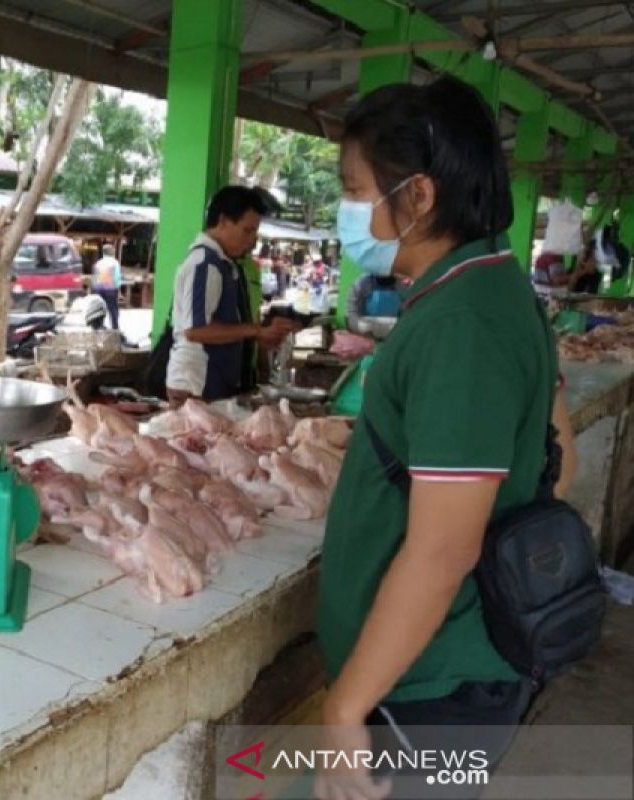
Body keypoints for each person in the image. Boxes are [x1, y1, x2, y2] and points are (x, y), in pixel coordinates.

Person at [316, 76, 576, 800]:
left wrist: (343, 710)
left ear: (420, 196)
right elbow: (565, 457)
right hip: (442, 682)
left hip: (431, 692)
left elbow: (444, 549)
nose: (348, 210)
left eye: (355, 189)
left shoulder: (463, 321)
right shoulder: (491, 285)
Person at [164, 186, 293, 406]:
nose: (252, 240)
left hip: (212, 384)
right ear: (223, 221)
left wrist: (260, 332)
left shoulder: (225, 263)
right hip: (196, 385)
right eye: (247, 230)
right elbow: (195, 330)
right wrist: (255, 330)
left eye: (255, 232)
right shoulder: (205, 264)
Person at [92, 243, 122, 330]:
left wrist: (94, 287)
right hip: (110, 289)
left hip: (98, 289)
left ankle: (99, 326)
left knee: (100, 308)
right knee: (113, 308)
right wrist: (118, 287)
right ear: (112, 252)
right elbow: (117, 277)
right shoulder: (114, 263)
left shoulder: (98, 263)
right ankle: (115, 326)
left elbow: (95, 277)